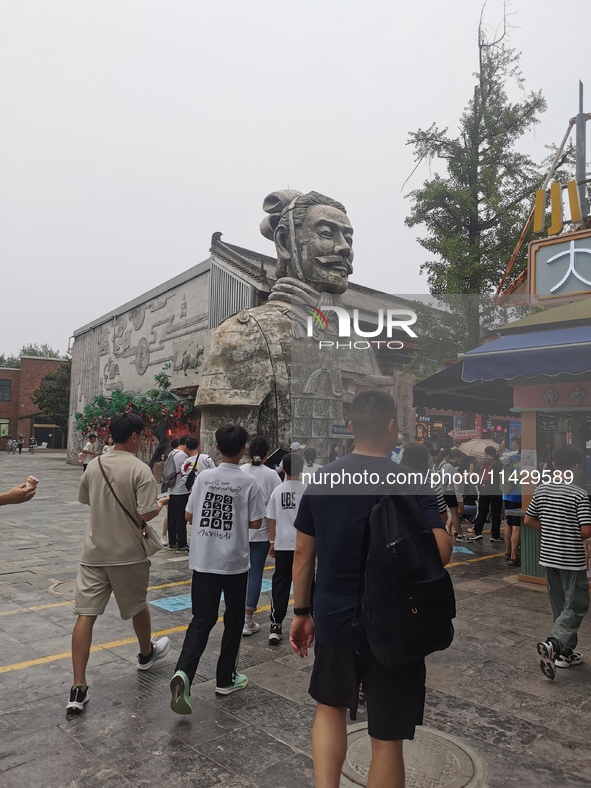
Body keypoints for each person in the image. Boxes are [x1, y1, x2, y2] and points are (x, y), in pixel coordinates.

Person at [290, 390, 452, 788]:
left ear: (351, 428)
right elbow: (440, 554)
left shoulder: (323, 479)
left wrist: (301, 613)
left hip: (335, 615)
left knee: (329, 708)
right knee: (386, 739)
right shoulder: (413, 481)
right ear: (393, 426)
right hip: (398, 620)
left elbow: (302, 555)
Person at [67, 412, 170, 713]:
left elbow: (87, 500)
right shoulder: (140, 469)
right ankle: (145, 653)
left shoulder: (95, 465)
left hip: (94, 553)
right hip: (128, 554)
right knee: (138, 605)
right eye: (143, 436)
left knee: (85, 615)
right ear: (135, 436)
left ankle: (77, 687)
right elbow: (147, 513)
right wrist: (161, 503)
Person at [169, 425, 266, 713]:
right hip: (234, 563)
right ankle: (225, 678)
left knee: (201, 619)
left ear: (217, 446)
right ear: (243, 448)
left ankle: (184, 672)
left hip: (204, 560)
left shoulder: (204, 478)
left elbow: (187, 515)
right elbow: (256, 523)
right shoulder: (249, 483)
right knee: (234, 620)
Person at [525, 446, 591, 680]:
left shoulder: (542, 490)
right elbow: (585, 531)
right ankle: (554, 643)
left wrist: (550, 531)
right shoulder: (579, 494)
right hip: (571, 560)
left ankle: (564, 653)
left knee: (560, 605)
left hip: (548, 557)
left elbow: (529, 519)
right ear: (576, 467)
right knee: (577, 604)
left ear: (554, 465)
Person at [240, 436, 281, 635]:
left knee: (239, 573)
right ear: (267, 454)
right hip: (262, 532)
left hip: (240, 532)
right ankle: (248, 619)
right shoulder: (272, 475)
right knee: (255, 573)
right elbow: (276, 506)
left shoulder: (240, 471)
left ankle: (237, 614)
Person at [266, 452, 307, 644]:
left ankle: (276, 625)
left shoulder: (277, 491)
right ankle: (310, 619)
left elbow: (271, 520)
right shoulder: (308, 490)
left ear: (283, 469)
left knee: (280, 583)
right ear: (302, 469)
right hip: (304, 545)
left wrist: (272, 543)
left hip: (283, 544)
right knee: (307, 583)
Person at [401, 442, 447, 525]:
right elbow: (443, 517)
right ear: (425, 460)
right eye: (429, 457)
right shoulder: (431, 485)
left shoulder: (393, 482)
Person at [469, 446, 504, 543]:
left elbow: (475, 477)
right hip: (496, 492)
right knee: (495, 513)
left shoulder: (480, 463)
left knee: (482, 512)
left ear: (486, 453)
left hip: (483, 491)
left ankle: (477, 532)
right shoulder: (498, 465)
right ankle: (495, 535)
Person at [166, 435, 190, 550]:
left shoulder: (172, 453)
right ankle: (181, 543)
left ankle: (172, 541)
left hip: (172, 490)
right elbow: (186, 472)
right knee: (181, 518)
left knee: (172, 517)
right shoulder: (183, 455)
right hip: (181, 489)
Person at [437, 448, 466, 540]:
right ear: (449, 455)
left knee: (441, 513)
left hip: (439, 491)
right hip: (449, 491)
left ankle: (441, 533)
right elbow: (449, 481)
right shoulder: (448, 466)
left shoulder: (438, 465)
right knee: (454, 514)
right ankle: (460, 535)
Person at [502, 437, 522, 566]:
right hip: (518, 495)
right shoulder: (523, 460)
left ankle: (507, 550)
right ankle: (514, 556)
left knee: (508, 523)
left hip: (506, 494)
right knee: (517, 525)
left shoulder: (509, 459)